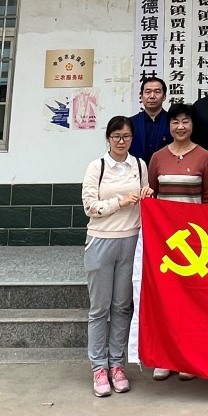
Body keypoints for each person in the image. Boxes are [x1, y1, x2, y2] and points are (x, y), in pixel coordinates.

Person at [81, 115, 152, 397]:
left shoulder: (139, 165)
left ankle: (117, 365)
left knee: (122, 306)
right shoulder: (96, 167)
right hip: (101, 240)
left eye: (126, 137)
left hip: (131, 241)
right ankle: (99, 368)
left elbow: (145, 199)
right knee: (100, 308)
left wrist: (147, 193)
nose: (121, 142)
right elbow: (89, 206)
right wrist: (119, 203)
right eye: (116, 137)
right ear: (108, 138)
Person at [143, 102, 208, 382]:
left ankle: (188, 359)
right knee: (166, 299)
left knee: (192, 301)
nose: (180, 126)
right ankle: (164, 358)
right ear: (169, 125)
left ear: (193, 125)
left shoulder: (204, 156)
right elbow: (151, 195)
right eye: (175, 122)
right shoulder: (158, 157)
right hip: (165, 242)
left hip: (194, 241)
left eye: (185, 121)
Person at [129, 76, 172, 165]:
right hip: (136, 171)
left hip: (166, 171)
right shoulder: (130, 123)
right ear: (141, 96)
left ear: (164, 96)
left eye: (157, 92)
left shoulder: (172, 122)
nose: (152, 96)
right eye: (148, 92)